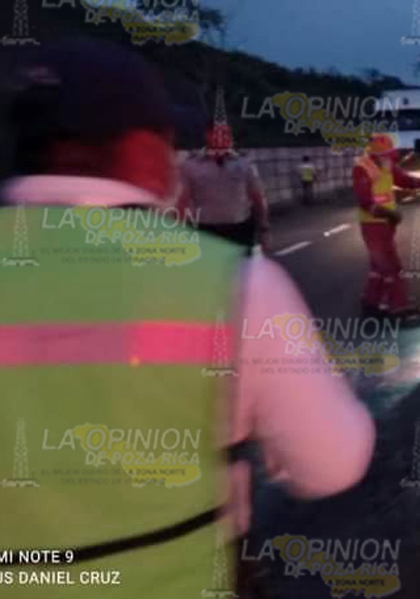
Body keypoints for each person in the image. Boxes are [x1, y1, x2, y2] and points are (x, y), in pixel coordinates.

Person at [0, 40, 375, 597]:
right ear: (139, 145)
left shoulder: (239, 189)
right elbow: (331, 463)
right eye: (168, 138)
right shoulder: (235, 285)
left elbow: (252, 198)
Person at [353, 133, 420, 317]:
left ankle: (371, 305)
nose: (390, 159)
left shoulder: (386, 164)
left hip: (385, 224)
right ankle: (399, 308)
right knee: (392, 268)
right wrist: (390, 214)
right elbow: (365, 202)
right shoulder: (362, 168)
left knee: (378, 269)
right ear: (377, 155)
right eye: (387, 154)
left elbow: (404, 180)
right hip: (373, 224)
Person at [178, 123, 270, 254]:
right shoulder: (191, 166)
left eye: (226, 134)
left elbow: (258, 198)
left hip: (241, 230)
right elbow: (182, 201)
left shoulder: (244, 163)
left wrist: (264, 229)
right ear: (207, 136)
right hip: (206, 231)